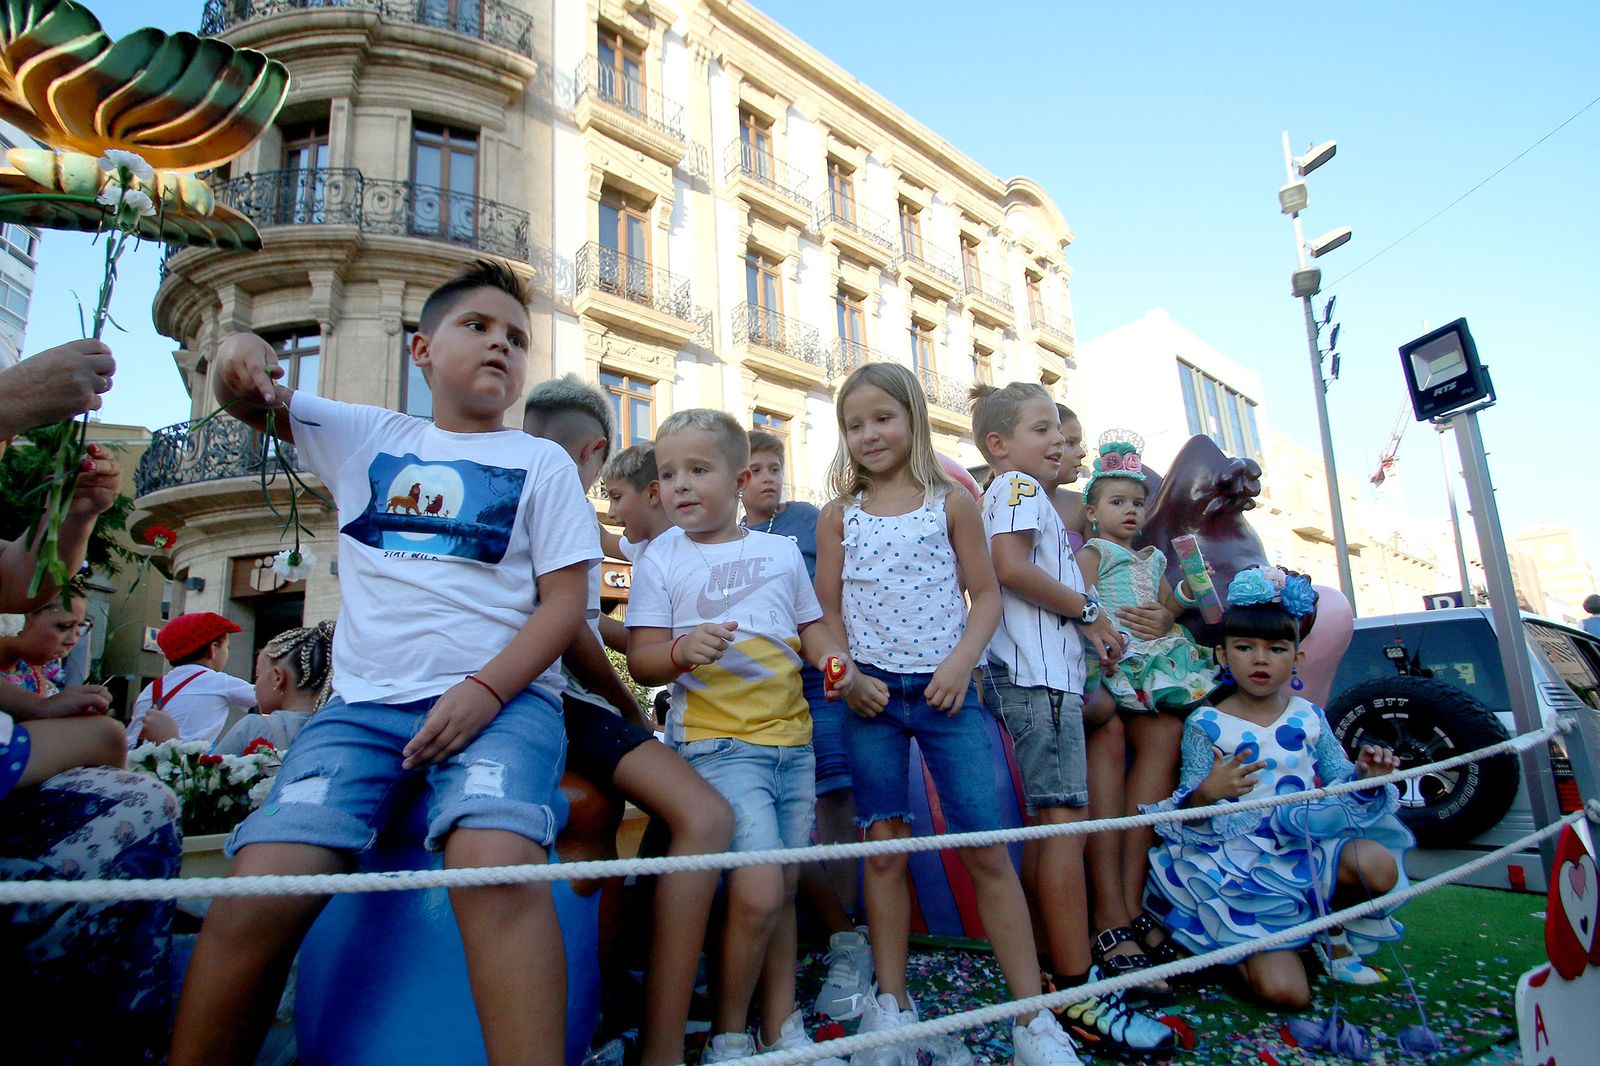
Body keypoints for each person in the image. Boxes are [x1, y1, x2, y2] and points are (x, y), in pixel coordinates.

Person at [170, 259, 598, 1066]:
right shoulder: (367, 435)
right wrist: (240, 346)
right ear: (422, 350)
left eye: (516, 337)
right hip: (358, 715)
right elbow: (244, 393)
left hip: (503, 708)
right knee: (257, 894)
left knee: (494, 868)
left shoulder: (543, 463)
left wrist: (484, 690)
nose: (501, 345)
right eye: (478, 326)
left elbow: (565, 606)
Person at [816, 362, 1084, 1066]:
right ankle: (892, 1009)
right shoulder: (839, 516)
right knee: (884, 848)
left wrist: (961, 662)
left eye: (883, 417)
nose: (870, 434)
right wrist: (846, 680)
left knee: (986, 848)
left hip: (949, 696)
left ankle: (1032, 1019)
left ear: (912, 418)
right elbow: (824, 615)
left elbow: (986, 595)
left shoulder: (952, 503)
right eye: (855, 424)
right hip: (871, 702)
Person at [626, 409, 862, 1063]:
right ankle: (729, 1036)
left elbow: (811, 627)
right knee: (758, 894)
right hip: (716, 744)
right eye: (667, 473)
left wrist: (837, 665)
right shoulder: (659, 559)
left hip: (794, 745)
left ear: (741, 478)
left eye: (696, 470)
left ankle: (779, 1026)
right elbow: (643, 654)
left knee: (781, 892)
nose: (677, 485)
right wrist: (680, 650)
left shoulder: (782, 551)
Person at [524, 375, 734, 1066]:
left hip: (521, 695)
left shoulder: (516, 495)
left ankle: (631, 990)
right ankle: (649, 1019)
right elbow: (576, 634)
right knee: (700, 816)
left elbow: (589, 625)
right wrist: (625, 708)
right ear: (593, 452)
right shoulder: (566, 511)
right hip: (556, 701)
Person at [971, 383, 1175, 1057]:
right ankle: (1078, 991)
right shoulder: (1021, 491)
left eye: (1060, 430)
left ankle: (1063, 979)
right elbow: (1010, 567)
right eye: (1042, 429)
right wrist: (1090, 613)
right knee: (1061, 827)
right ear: (1001, 446)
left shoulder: (1012, 493)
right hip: (1037, 679)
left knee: (1053, 827)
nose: (1059, 440)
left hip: (1040, 676)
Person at [1142, 567, 1413, 1006]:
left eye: (1276, 648)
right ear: (1224, 657)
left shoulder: (1309, 716)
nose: (1260, 659)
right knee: (1287, 995)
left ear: (1297, 658)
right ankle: (1230, 949)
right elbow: (1187, 806)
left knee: (1377, 865)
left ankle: (1329, 930)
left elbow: (1339, 781)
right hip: (1242, 871)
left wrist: (1366, 779)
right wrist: (1208, 791)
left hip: (1309, 848)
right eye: (1245, 647)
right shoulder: (1205, 723)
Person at [744, 428, 872, 1020]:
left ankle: (846, 928)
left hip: (818, 675)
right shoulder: (726, 534)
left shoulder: (808, 518)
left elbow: (833, 592)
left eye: (775, 466)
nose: (768, 477)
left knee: (834, 793)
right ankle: (806, 923)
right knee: (779, 804)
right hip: (760, 688)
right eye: (755, 470)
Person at [1075, 431, 1217, 951]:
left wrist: (1189, 587)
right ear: (1093, 511)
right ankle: (1117, 902)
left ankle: (1132, 895)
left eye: (1137, 502)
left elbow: (1167, 603)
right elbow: (1079, 600)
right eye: (1118, 502)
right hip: (1118, 657)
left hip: (1157, 656)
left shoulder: (1153, 557)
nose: (1130, 511)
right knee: (1147, 738)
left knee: (1168, 735)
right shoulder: (1093, 552)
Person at [0, 594, 124, 787]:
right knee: (108, 734)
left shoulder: (28, 670)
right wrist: (42, 707)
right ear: (18, 614)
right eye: (63, 626)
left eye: (81, 627)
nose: (72, 639)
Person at [126, 611, 257, 747]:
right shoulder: (217, 682)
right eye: (226, 647)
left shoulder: (151, 688)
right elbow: (266, 697)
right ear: (213, 649)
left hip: (136, 762)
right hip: (183, 763)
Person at [213, 621, 336, 756]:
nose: (255, 687)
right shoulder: (339, 729)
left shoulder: (252, 727)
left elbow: (209, 774)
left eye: (257, 676)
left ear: (278, 678)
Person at [597, 442, 669, 654]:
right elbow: (602, 539)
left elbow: (642, 646)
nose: (611, 512)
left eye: (617, 498)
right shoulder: (643, 545)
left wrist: (580, 615)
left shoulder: (663, 556)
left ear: (653, 493)